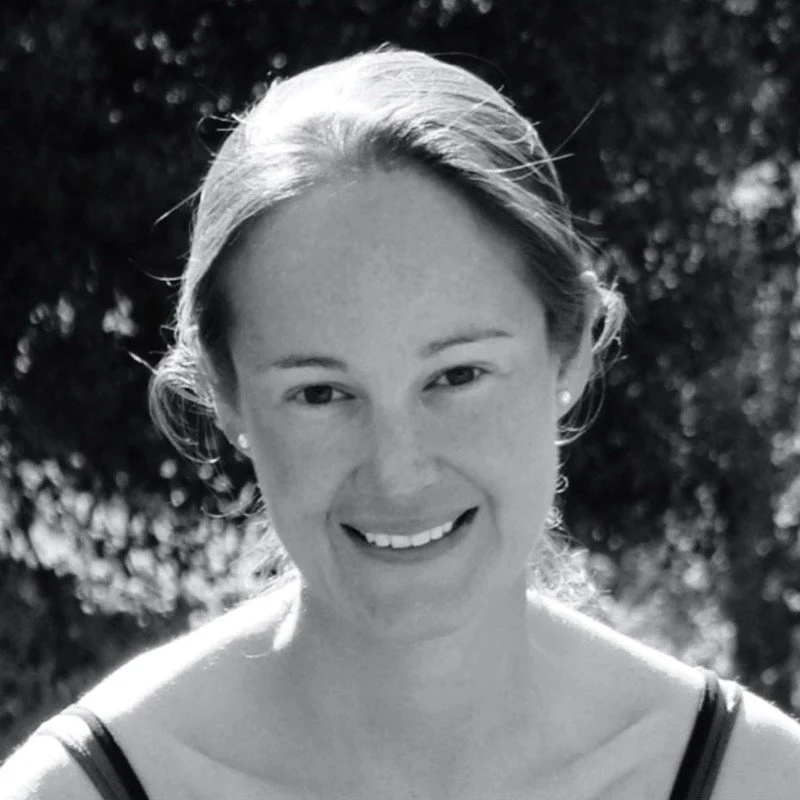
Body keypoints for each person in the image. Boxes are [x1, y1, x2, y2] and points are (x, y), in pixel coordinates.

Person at [2, 45, 799, 800]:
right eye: (320, 393)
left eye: (457, 377)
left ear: (573, 349)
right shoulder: (81, 790)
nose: (397, 468)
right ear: (227, 394)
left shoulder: (752, 779)